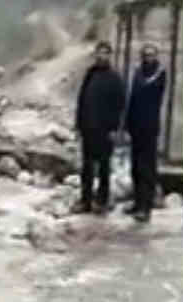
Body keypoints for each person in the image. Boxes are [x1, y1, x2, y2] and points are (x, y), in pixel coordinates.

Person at [73, 41, 126, 216]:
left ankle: (102, 201)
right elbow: (82, 100)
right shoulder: (90, 74)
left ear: (109, 55)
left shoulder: (115, 78)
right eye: (99, 53)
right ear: (95, 54)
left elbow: (119, 105)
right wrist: (78, 125)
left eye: (105, 53)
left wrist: (114, 129)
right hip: (88, 129)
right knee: (86, 167)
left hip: (105, 130)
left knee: (103, 167)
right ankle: (85, 200)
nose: (101, 56)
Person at [125, 43, 167, 223]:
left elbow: (149, 88)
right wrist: (127, 124)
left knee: (147, 168)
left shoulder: (159, 74)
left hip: (149, 127)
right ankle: (137, 201)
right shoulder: (138, 73)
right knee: (135, 166)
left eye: (151, 55)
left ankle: (146, 206)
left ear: (155, 57)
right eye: (145, 55)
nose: (147, 58)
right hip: (135, 126)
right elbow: (132, 99)